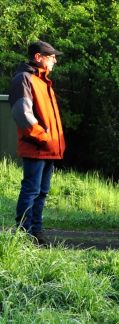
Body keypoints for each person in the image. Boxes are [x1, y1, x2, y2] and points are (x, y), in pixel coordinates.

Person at [10, 41, 66, 245]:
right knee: (32, 190)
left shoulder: (43, 81)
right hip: (36, 147)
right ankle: (23, 235)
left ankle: (36, 232)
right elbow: (22, 115)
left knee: (41, 192)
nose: (55, 60)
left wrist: (52, 142)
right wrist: (45, 138)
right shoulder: (24, 78)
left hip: (47, 148)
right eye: (51, 57)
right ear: (38, 57)